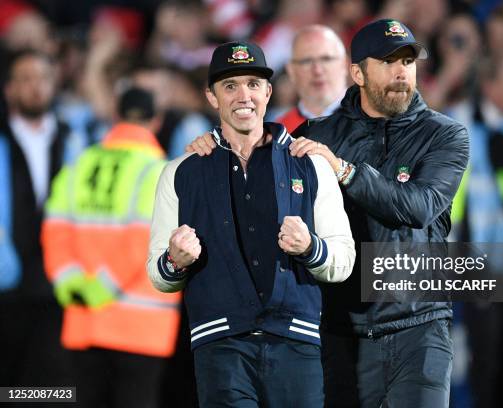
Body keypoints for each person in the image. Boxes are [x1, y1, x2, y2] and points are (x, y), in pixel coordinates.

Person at [187, 20, 469, 407]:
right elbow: (255, 173)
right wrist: (216, 144)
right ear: (357, 73)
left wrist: (345, 171)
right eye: (388, 62)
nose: (402, 71)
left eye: (408, 60)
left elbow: (418, 207)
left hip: (419, 326)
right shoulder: (316, 136)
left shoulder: (446, 134)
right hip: (339, 328)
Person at [147, 41, 355, 407]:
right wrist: (175, 259)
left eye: (253, 84)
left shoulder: (309, 164)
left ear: (268, 91)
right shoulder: (181, 172)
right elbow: (158, 274)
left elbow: (344, 260)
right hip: (220, 346)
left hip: (297, 342)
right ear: (211, 96)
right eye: (230, 86)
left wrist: (310, 247)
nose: (243, 95)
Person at [41, 87, 181, 408]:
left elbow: (55, 229)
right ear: (156, 121)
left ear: (115, 115)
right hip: (141, 328)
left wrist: (72, 284)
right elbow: (143, 241)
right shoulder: (158, 170)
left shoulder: (80, 163)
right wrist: (104, 286)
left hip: (84, 319)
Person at [0, 50, 76, 387]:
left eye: (43, 78)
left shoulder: (74, 137)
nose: (36, 87)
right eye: (26, 79)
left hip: (59, 282)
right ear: (10, 88)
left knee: (53, 385)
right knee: (8, 381)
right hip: (7, 282)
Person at [276, 24, 348, 132]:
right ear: (291, 70)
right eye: (306, 61)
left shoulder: (374, 120)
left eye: (326, 59)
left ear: (345, 64)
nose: (317, 70)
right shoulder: (279, 133)